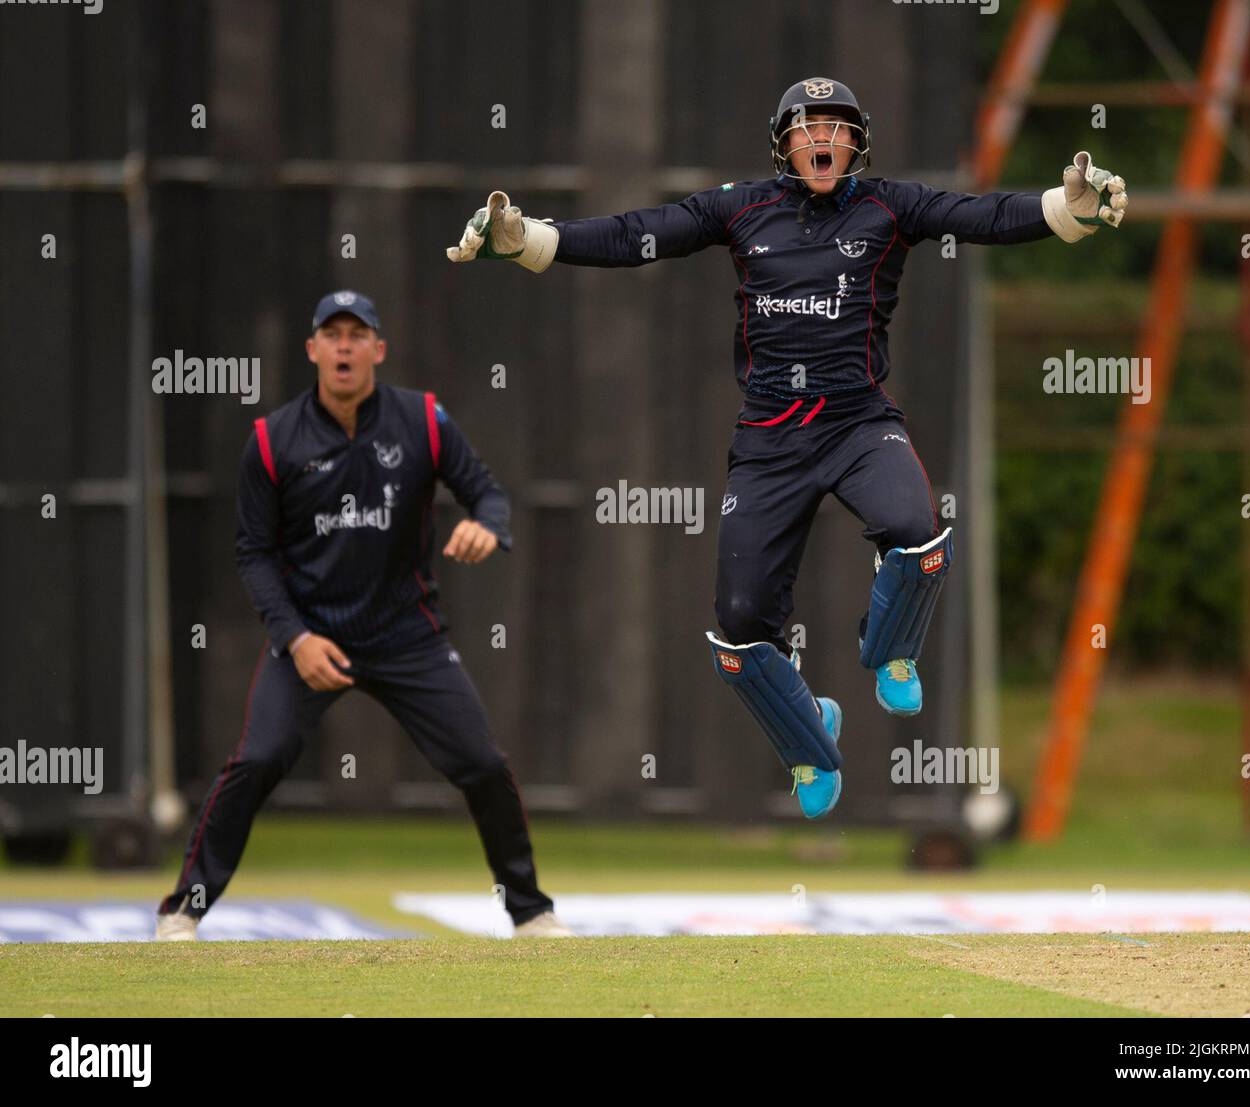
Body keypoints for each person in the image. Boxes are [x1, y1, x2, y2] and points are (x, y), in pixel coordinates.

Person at [447, 76, 1127, 819]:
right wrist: (529, 241)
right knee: (740, 632)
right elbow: (637, 233)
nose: (822, 140)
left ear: (857, 140)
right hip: (770, 442)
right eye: (806, 128)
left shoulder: (891, 206)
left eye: (835, 127)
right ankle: (810, 734)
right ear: (783, 143)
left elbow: (984, 215)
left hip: (859, 424)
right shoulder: (741, 207)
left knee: (920, 538)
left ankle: (888, 647)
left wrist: (1068, 210)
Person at [155, 291, 568, 939]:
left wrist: (488, 527)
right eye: (332, 334)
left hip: (408, 635)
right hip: (313, 637)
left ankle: (532, 911)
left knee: (483, 764)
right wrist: (295, 639)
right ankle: (185, 910)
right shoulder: (273, 440)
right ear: (312, 349)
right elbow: (254, 553)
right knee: (257, 760)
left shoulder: (423, 420)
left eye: (358, 334)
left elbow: (486, 492)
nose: (344, 346)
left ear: (378, 349)